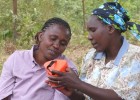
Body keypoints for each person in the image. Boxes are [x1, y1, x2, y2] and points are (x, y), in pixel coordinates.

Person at [47, 2, 140, 100]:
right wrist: (71, 93)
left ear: (110, 28)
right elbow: (85, 96)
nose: (89, 37)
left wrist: (78, 84)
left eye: (93, 30)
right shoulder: (90, 56)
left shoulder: (136, 57)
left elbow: (122, 97)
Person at [0, 17, 84, 100]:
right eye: (53, 39)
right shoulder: (16, 59)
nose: (56, 45)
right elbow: (3, 94)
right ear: (41, 36)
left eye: (63, 43)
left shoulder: (67, 69)